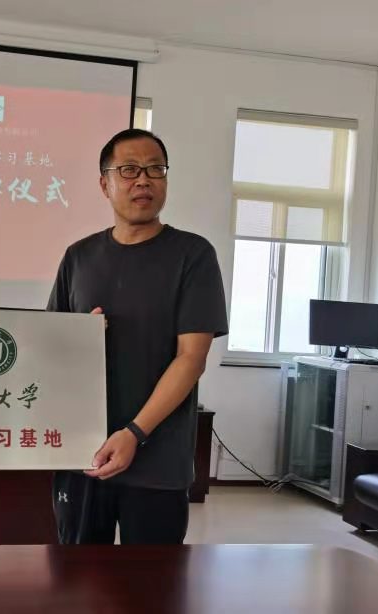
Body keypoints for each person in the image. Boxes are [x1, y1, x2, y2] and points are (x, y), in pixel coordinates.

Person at [47, 128, 228, 545]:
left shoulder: (193, 255)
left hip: (157, 461)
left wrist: (134, 433)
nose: (143, 180)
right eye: (129, 170)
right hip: (82, 456)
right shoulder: (78, 257)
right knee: (76, 578)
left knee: (151, 580)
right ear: (104, 184)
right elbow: (51, 346)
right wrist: (79, 336)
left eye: (155, 169)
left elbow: (191, 358)